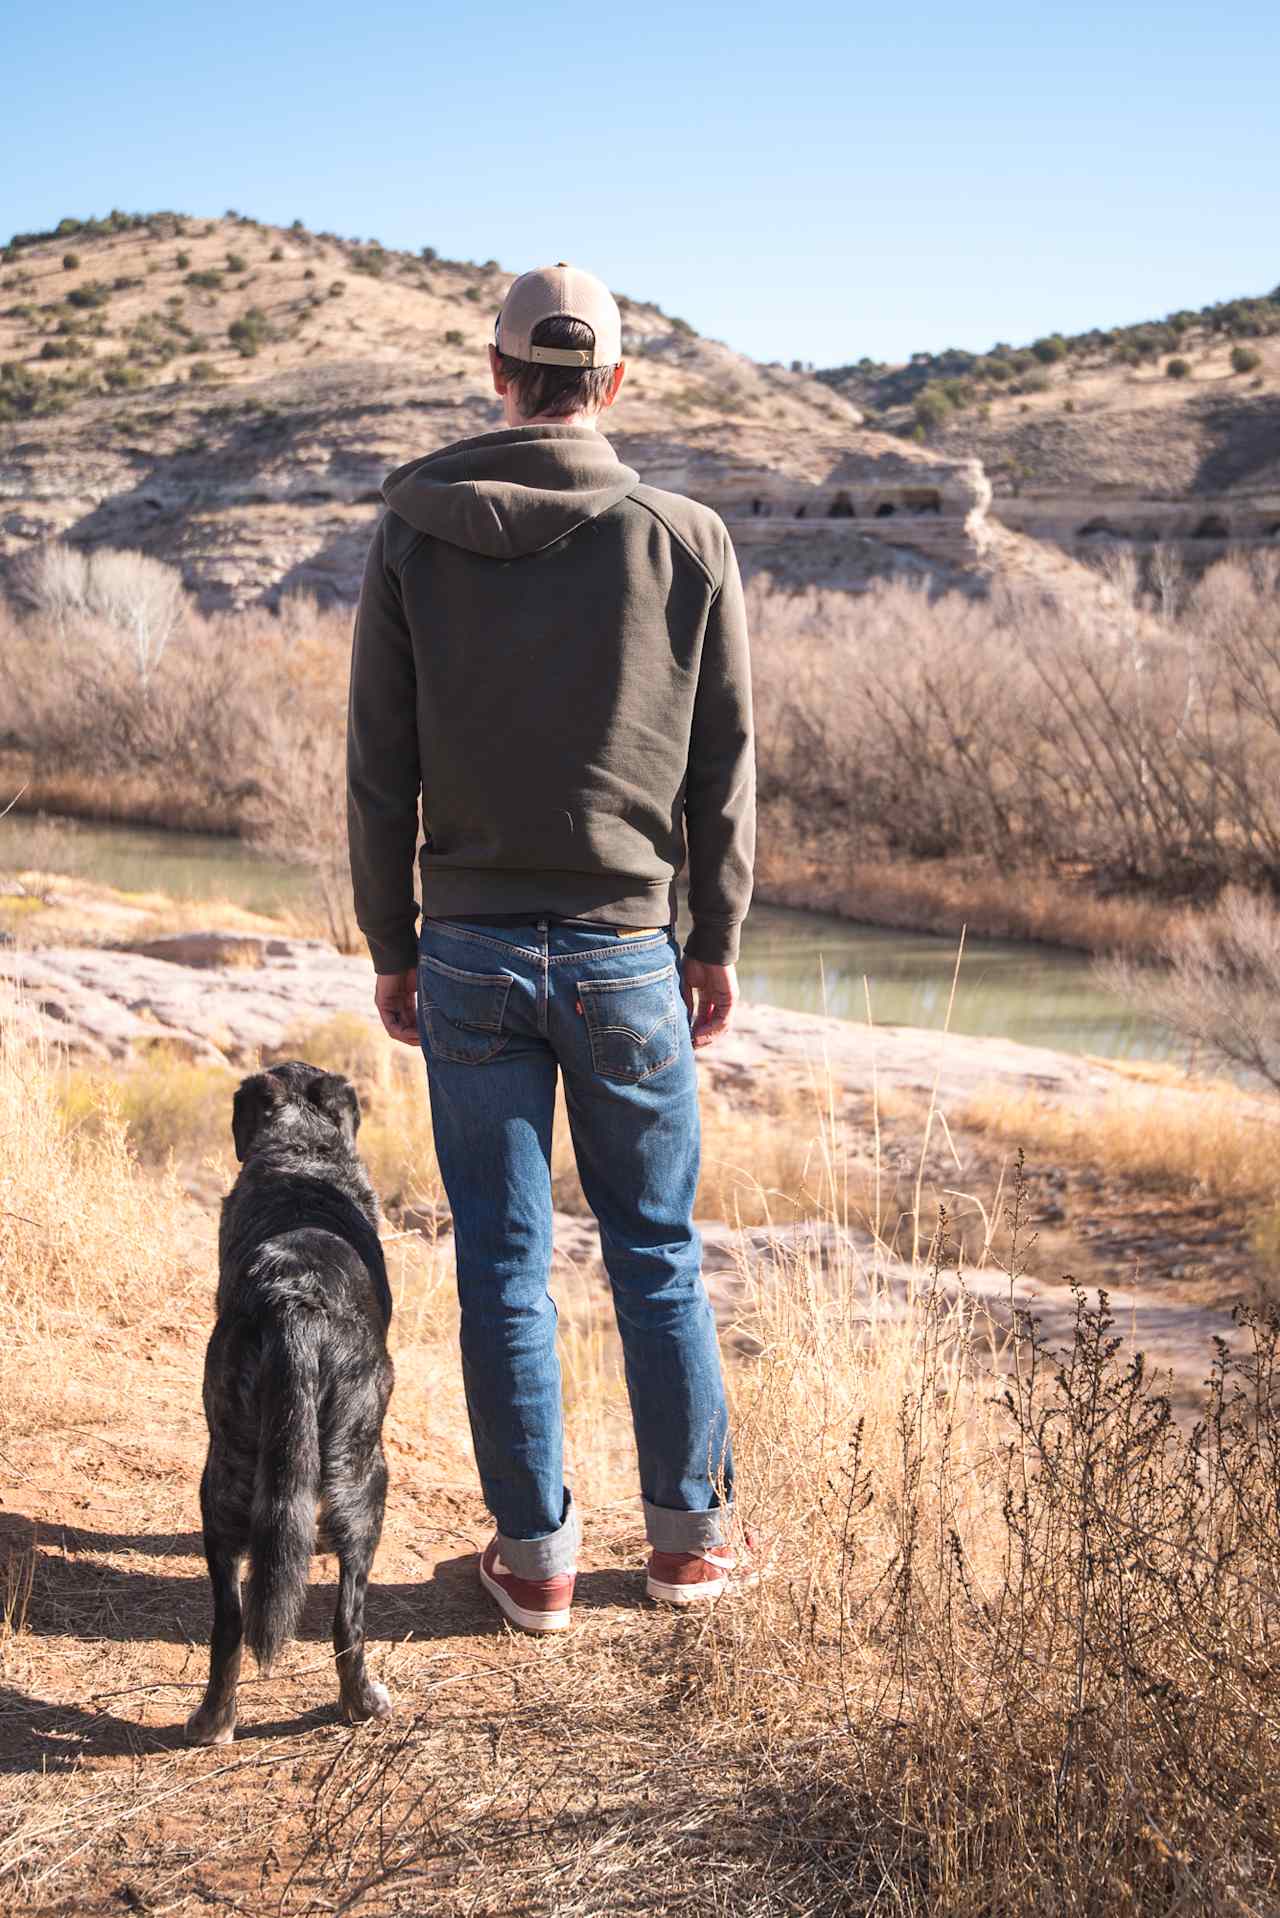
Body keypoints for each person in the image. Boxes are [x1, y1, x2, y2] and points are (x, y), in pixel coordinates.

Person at [346, 262, 757, 1633]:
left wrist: (389, 940)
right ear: (617, 383)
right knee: (655, 1247)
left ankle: (536, 1563)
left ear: (498, 370)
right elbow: (723, 770)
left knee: (504, 1262)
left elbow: (377, 769)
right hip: (628, 944)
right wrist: (716, 936)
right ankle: (689, 1546)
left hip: (464, 949)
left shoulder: (413, 531)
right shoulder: (688, 538)